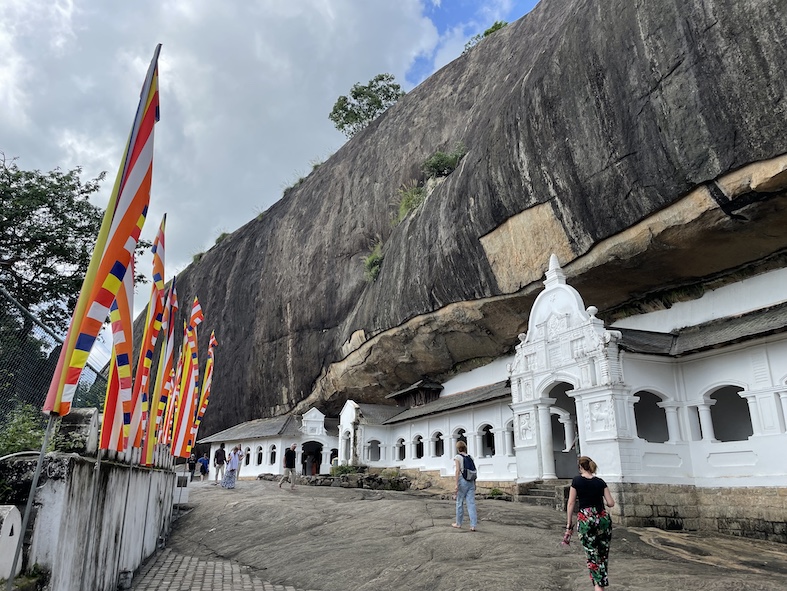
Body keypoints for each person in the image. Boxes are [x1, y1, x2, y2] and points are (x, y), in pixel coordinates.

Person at [566, 456, 616, 591]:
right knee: (602, 555)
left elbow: (571, 503)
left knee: (592, 555)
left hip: (586, 520)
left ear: (580, 467)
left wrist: (569, 525)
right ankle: (600, 586)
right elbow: (611, 503)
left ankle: (598, 588)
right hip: (603, 519)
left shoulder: (576, 481)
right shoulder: (600, 482)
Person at [451, 440, 477, 531]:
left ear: (458, 448)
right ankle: (473, 525)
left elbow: (457, 471)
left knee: (459, 502)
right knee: (471, 503)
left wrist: (456, 484)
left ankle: (458, 523)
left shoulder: (457, 457)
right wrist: (475, 484)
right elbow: (474, 470)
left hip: (462, 481)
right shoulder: (470, 457)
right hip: (471, 481)